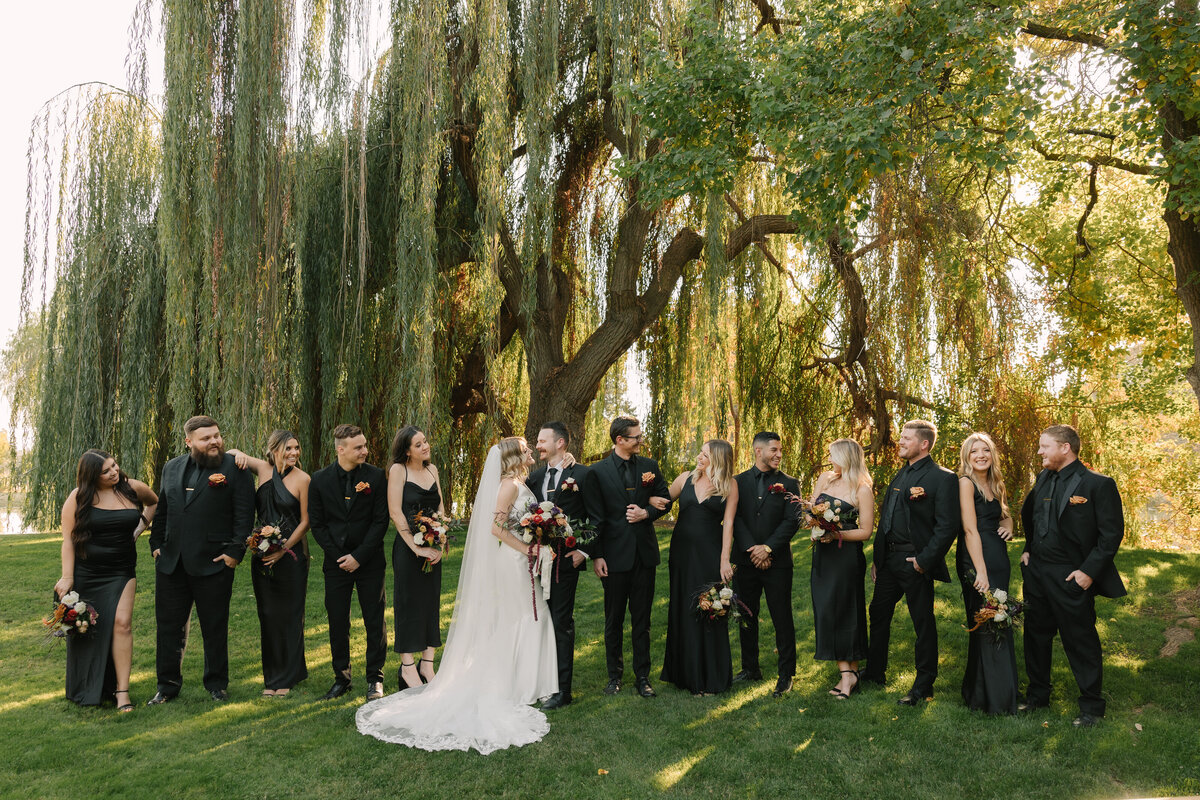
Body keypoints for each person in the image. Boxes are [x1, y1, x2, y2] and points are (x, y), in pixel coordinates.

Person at [356, 437, 558, 753]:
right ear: (513, 456)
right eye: (525, 448)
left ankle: (530, 684)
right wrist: (528, 548)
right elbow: (496, 528)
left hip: (522, 560)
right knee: (526, 617)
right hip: (515, 560)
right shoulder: (508, 485)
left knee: (530, 616)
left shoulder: (520, 481)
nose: (531, 450)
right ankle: (522, 685)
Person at [1019, 424, 1125, 727]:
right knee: (1035, 635)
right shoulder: (1042, 478)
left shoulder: (1097, 484)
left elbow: (1111, 534)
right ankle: (1037, 697)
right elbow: (1034, 517)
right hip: (1037, 572)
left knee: (1080, 639)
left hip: (1071, 575)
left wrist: (1088, 572)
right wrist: (1028, 549)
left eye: (1044, 446)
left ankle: (1091, 707)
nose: (1039, 452)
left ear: (1065, 448)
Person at [147, 415, 255, 704]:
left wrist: (234, 553)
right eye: (206, 438)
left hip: (214, 562)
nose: (214, 441)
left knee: (214, 626)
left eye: (217, 435)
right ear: (189, 441)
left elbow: (244, 515)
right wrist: (155, 543)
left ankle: (216, 684)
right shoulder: (171, 467)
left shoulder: (236, 468)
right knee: (168, 627)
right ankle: (166, 686)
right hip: (171, 564)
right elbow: (164, 509)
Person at [861, 419, 960, 706]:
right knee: (878, 613)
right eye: (901, 437)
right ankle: (876, 672)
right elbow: (886, 520)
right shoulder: (899, 475)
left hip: (916, 561)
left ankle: (923, 684)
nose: (900, 442)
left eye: (906, 438)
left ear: (924, 444)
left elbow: (947, 526)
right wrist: (878, 560)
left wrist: (924, 561)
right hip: (889, 561)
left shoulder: (943, 478)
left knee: (922, 623)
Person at [55, 450, 157, 710]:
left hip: (122, 569)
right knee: (89, 628)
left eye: (114, 466)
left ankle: (122, 692)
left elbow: (154, 501)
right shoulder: (78, 498)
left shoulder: (131, 488)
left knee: (122, 625)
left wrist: (141, 526)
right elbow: (68, 540)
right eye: (106, 471)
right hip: (88, 572)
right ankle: (88, 684)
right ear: (92, 476)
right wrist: (68, 577)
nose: (114, 472)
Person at [586, 416, 672, 698]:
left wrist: (647, 512)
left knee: (642, 621)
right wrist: (596, 555)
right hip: (612, 557)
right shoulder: (597, 472)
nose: (640, 440)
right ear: (620, 440)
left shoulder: (650, 467)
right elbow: (595, 517)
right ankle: (614, 677)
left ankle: (643, 677)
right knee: (613, 620)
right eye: (636, 437)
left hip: (644, 556)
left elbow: (665, 499)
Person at [309, 424, 390, 701]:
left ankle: (375, 679)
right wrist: (339, 557)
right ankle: (341, 678)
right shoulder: (318, 480)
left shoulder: (377, 477)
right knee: (337, 620)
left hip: (369, 561)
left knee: (374, 620)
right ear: (340, 449)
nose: (365, 451)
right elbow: (317, 525)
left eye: (365, 445)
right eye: (358, 447)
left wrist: (359, 556)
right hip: (336, 564)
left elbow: (381, 521)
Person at [229, 431, 312, 697]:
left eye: (297, 448)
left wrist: (283, 549)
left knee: (290, 615)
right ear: (274, 449)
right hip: (262, 554)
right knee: (268, 615)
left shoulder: (303, 479)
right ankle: (274, 675)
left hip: (292, 556)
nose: (294, 453)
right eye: (289, 448)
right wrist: (239, 454)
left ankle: (286, 678)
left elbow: (305, 522)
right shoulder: (262, 469)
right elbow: (230, 453)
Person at [654, 440, 737, 696]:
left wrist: (724, 560)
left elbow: (729, 524)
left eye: (705, 455)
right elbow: (661, 502)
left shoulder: (729, 485)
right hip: (681, 554)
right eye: (700, 453)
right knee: (683, 607)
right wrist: (643, 496)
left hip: (710, 554)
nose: (699, 457)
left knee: (709, 607)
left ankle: (709, 677)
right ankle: (684, 675)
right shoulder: (685, 479)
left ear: (719, 460)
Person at [527, 421, 598, 709]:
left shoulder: (582, 474)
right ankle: (538, 682)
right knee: (537, 621)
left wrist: (584, 551)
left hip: (565, 562)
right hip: (533, 559)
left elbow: (596, 517)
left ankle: (562, 690)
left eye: (543, 441)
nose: (538, 445)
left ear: (561, 443)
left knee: (560, 622)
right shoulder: (534, 478)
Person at [731, 431, 801, 697]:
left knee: (781, 617)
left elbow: (792, 521)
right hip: (745, 561)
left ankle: (786, 675)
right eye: (774, 450)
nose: (779, 454)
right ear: (758, 451)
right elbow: (735, 518)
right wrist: (753, 550)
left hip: (778, 562)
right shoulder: (737, 481)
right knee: (746, 616)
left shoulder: (790, 483)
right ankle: (750, 668)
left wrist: (768, 548)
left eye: (780, 450)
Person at [955, 432, 1018, 715]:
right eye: (974, 452)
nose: (980, 456)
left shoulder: (995, 482)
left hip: (998, 557)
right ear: (966, 457)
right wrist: (980, 571)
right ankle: (988, 698)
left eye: (985, 451)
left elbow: (1004, 514)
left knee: (999, 620)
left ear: (992, 455)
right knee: (986, 620)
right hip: (976, 557)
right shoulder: (965, 483)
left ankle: (993, 693)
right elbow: (969, 529)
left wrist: (1010, 526)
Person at [809, 439, 874, 700]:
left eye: (833, 455)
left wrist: (837, 535)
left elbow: (866, 531)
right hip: (823, 557)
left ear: (846, 457)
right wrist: (815, 523)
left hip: (846, 557)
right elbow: (810, 511)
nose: (829, 460)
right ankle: (846, 672)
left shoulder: (862, 489)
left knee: (848, 612)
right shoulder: (825, 479)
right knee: (826, 612)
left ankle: (849, 676)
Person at [388, 426, 447, 690]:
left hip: (433, 547)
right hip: (408, 549)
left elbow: (441, 508)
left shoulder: (432, 470)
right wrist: (416, 547)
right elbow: (396, 513)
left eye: (425, 441)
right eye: (419, 444)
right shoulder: (398, 470)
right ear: (406, 450)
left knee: (430, 604)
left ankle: (427, 663)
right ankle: (408, 668)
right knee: (408, 606)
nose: (425, 446)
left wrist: (441, 536)